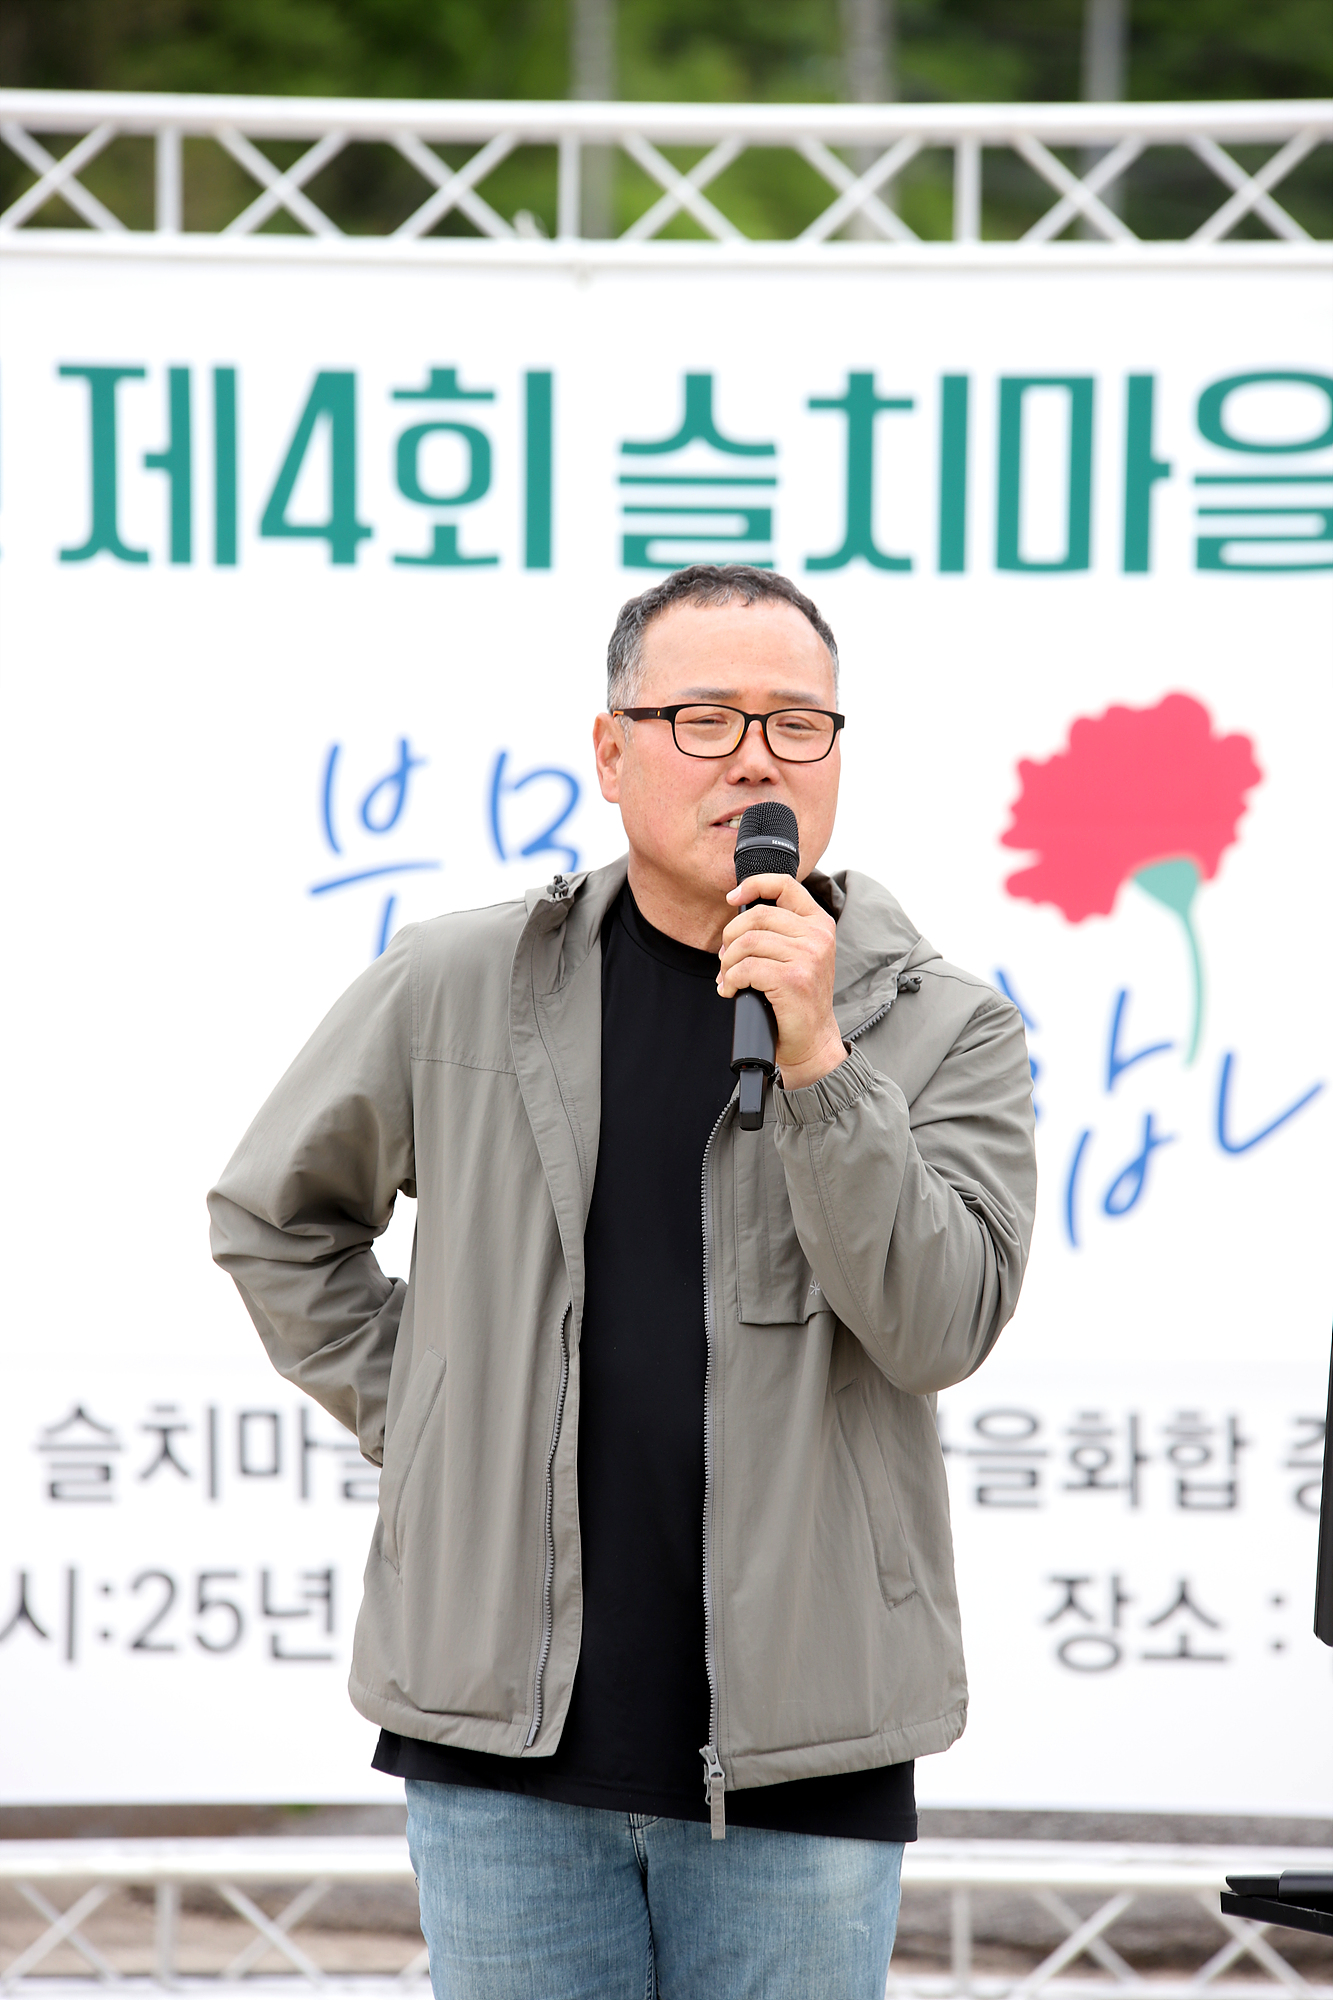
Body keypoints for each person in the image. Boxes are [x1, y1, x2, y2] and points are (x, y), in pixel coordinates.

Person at [209, 564, 1037, 1999]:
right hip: (503, 1747)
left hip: (805, 1756)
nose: (756, 761)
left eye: (796, 724)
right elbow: (276, 1218)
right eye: (704, 719)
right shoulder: (459, 981)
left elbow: (940, 1324)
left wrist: (819, 1065)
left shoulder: (943, 1023)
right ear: (611, 750)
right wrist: (438, 1417)